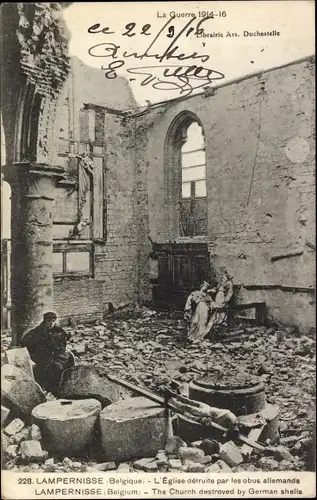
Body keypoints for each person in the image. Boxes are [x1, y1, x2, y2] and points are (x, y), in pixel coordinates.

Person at [21, 312, 74, 395]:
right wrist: (35, 353)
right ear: (44, 321)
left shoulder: (58, 330)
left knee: (67, 362)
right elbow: (25, 342)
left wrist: (60, 349)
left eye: (53, 321)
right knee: (50, 368)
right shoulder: (38, 331)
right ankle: (49, 387)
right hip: (42, 355)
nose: (51, 323)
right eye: (48, 321)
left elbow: (63, 343)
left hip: (56, 355)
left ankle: (61, 385)